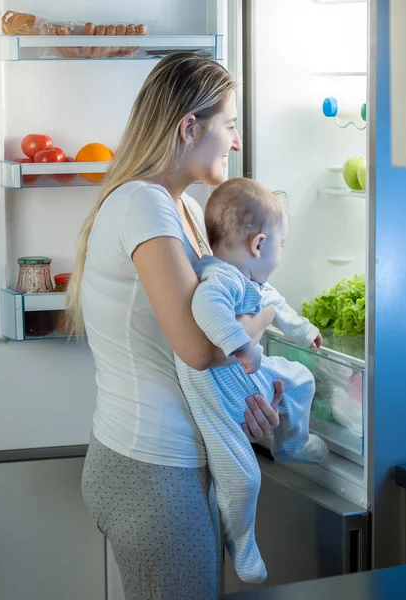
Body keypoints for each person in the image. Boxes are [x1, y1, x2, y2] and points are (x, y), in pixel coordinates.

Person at [66, 52, 284, 600]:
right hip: (150, 472)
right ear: (190, 127)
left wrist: (245, 401)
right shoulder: (145, 204)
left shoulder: (178, 206)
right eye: (229, 125)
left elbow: (203, 343)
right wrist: (269, 313)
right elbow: (198, 347)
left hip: (158, 462)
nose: (236, 141)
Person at [175, 177, 329, 584]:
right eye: (282, 245)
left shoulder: (253, 283)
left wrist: (305, 331)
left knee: (301, 379)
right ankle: (240, 542)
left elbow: (278, 307)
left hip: (249, 380)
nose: (281, 254)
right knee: (245, 478)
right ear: (259, 245)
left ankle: (291, 441)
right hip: (218, 400)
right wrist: (243, 349)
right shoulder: (218, 279)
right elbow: (209, 312)